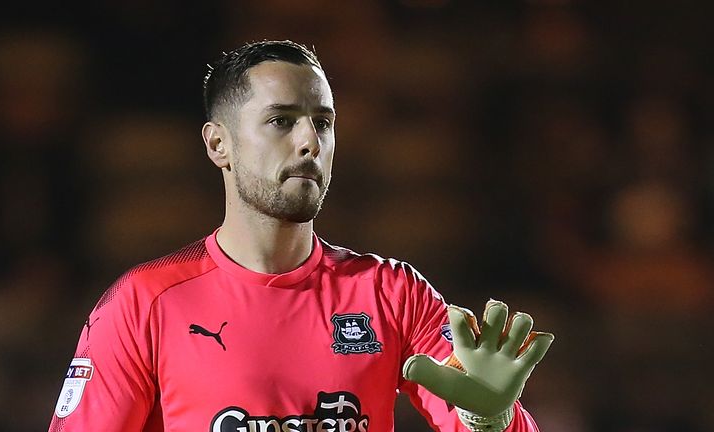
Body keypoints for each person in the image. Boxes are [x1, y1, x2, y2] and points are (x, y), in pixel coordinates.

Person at [48, 40, 554, 432]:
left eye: (323, 123)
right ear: (218, 143)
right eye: (281, 121)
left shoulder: (391, 293)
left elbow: (474, 408)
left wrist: (491, 420)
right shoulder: (145, 303)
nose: (311, 141)